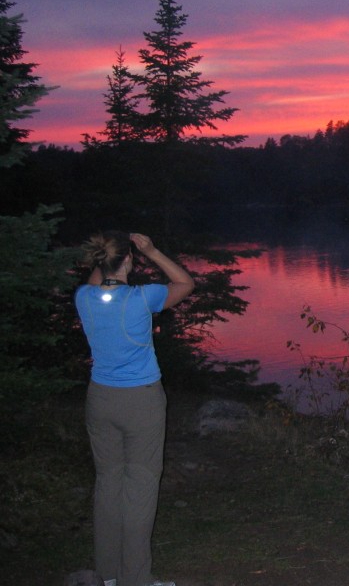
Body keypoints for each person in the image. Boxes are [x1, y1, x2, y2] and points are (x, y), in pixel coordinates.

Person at [75, 231, 194, 586]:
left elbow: (98, 282)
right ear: (129, 260)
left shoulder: (84, 297)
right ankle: (136, 581)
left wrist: (108, 261)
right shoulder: (145, 297)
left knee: (109, 482)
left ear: (99, 262)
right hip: (140, 400)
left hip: (100, 399)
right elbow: (185, 283)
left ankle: (109, 575)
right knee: (140, 485)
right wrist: (153, 251)